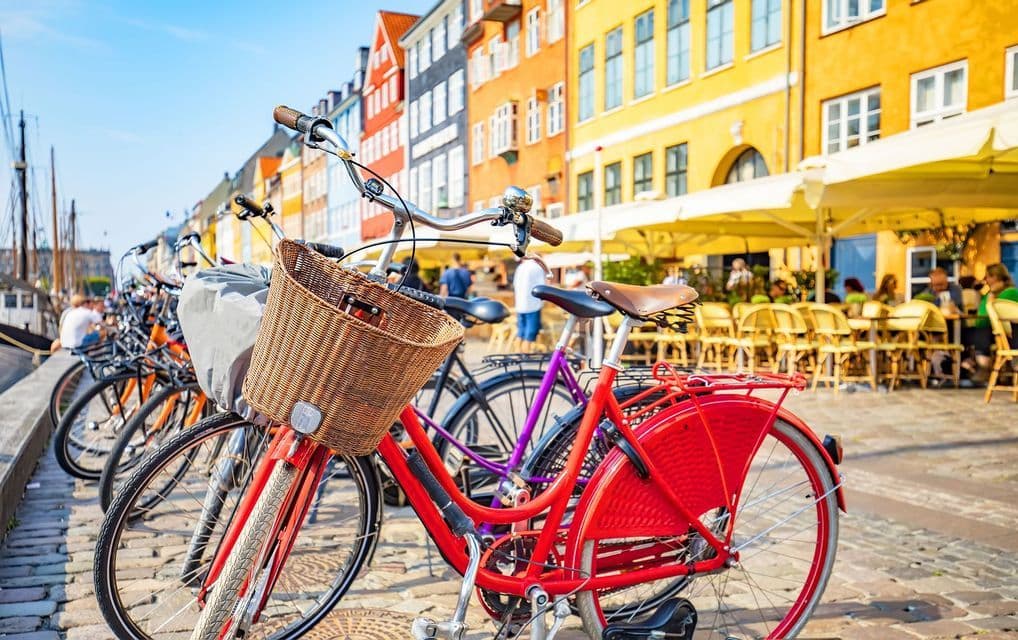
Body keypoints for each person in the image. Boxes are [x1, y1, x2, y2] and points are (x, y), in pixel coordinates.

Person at [513, 256, 548, 352]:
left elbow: (515, 284)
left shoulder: (520, 267)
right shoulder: (537, 268)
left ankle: (518, 351)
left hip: (520, 303)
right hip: (532, 303)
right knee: (531, 331)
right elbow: (542, 286)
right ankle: (525, 353)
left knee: (521, 330)